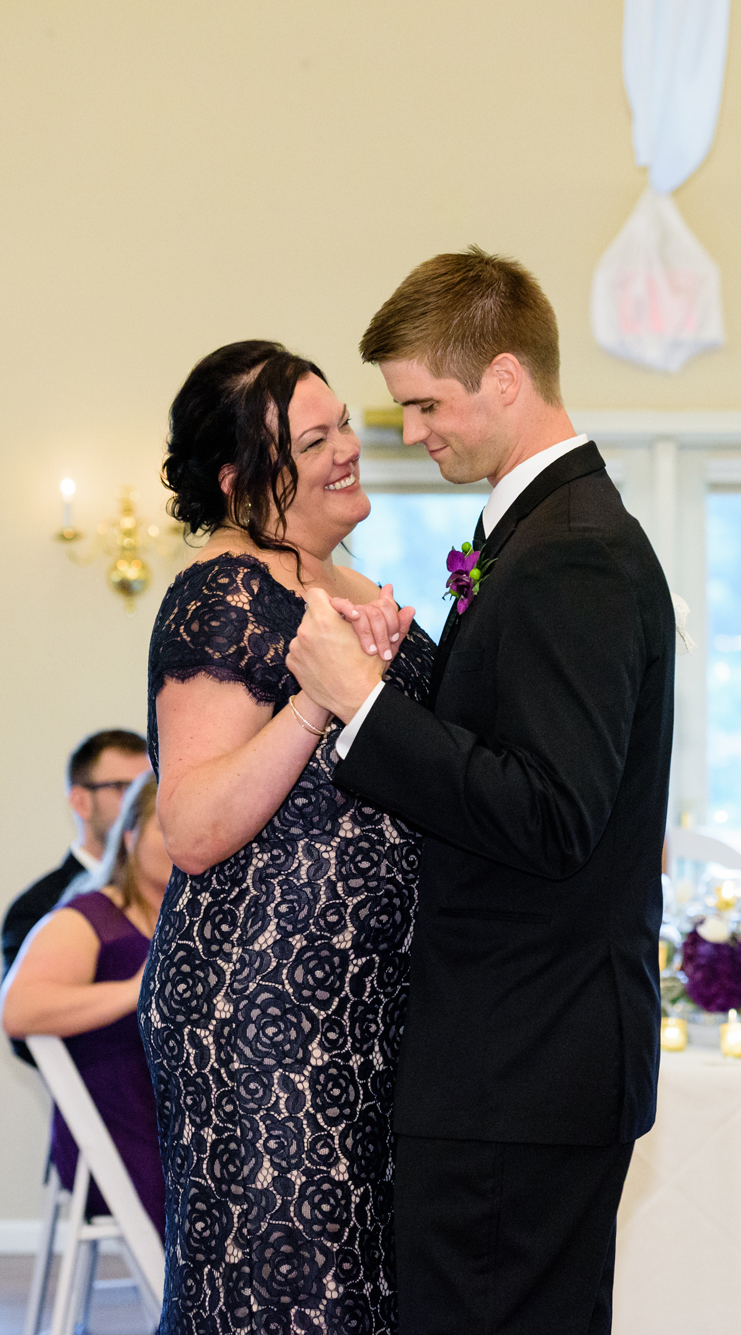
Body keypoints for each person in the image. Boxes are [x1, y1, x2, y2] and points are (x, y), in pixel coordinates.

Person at [288, 247, 675, 1335]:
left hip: (521, 1059)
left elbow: (551, 816)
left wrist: (364, 703)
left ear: (504, 379)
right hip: (520, 1056)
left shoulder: (574, 553)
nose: (410, 432)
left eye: (423, 403)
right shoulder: (538, 533)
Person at [138, 340, 437, 1334]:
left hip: (364, 1005)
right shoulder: (220, 597)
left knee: (360, 1293)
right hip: (260, 1009)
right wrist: (315, 700)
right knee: (282, 1295)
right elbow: (190, 825)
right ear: (240, 480)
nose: (349, 448)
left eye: (344, 422)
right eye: (315, 440)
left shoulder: (344, 582)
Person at [0, 770, 169, 1235]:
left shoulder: (194, 922)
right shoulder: (89, 917)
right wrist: (135, 991)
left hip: (175, 1121)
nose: (182, 840)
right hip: (121, 1134)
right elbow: (18, 1011)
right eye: (167, 825)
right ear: (131, 836)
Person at [0, 730, 151, 1064]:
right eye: (125, 789)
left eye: (150, 789)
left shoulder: (171, 891)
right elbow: (29, 1035)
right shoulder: (39, 906)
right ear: (81, 802)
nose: (141, 804)